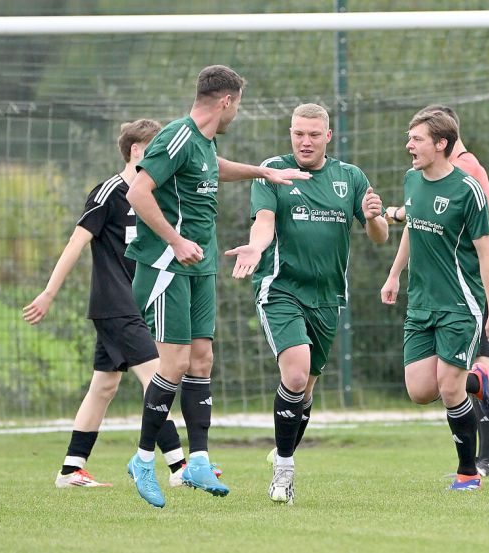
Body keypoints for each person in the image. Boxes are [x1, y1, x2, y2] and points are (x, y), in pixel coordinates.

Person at [124, 65, 309, 508]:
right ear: (226, 101)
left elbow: (213, 169)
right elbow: (138, 192)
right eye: (237, 104)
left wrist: (263, 173)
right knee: (174, 363)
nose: (237, 113)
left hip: (200, 266)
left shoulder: (204, 143)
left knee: (202, 360)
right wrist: (175, 240)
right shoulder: (177, 135)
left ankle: (199, 461)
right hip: (167, 265)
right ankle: (143, 459)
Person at [225, 103, 389, 505]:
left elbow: (380, 236)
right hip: (281, 289)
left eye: (314, 134)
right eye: (299, 133)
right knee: (296, 376)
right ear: (291, 134)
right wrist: (256, 246)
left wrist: (373, 217)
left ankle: (282, 449)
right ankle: (284, 471)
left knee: (306, 389)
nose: (306, 141)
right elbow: (264, 222)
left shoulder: (350, 177)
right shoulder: (274, 171)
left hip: (328, 297)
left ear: (328, 136)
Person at [23, 119, 190, 489]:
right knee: (157, 378)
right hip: (116, 304)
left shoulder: (155, 195)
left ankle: (71, 469)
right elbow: (76, 243)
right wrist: (49, 293)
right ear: (136, 150)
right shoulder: (108, 192)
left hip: (137, 303)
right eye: (156, 148)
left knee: (104, 386)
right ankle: (180, 467)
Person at [381, 108, 489, 491]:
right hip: (420, 304)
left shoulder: (468, 189)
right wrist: (394, 274)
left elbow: (486, 255)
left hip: (460, 305)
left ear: (441, 144)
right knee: (420, 391)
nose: (409, 145)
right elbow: (412, 227)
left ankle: (468, 473)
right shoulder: (411, 179)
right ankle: (477, 381)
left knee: (449, 389)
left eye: (416, 139)